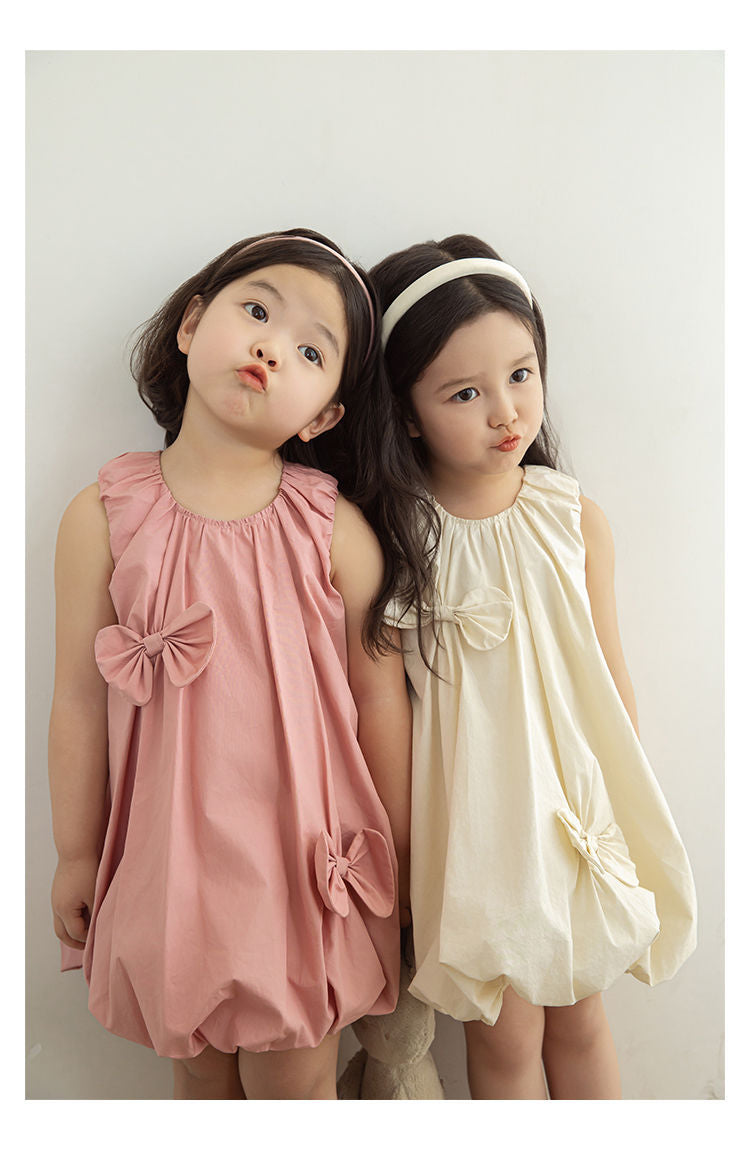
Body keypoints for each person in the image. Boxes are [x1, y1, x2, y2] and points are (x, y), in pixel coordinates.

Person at [48, 228, 427, 1100]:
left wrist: (403, 854)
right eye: (256, 311)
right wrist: (74, 851)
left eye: (310, 351)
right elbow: (75, 698)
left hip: (297, 864)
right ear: (191, 325)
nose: (270, 348)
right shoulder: (102, 516)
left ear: (324, 415)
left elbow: (381, 700)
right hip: (168, 860)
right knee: (199, 1077)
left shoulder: (332, 530)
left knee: (295, 1080)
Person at [366, 234, 698, 1100]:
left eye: (521, 374)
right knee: (507, 1036)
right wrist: (399, 849)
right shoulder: (400, 542)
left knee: (583, 1016)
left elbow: (609, 677)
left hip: (576, 813)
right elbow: (384, 712)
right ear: (407, 413)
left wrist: (624, 803)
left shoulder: (571, 518)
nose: (506, 411)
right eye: (465, 392)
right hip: (476, 831)